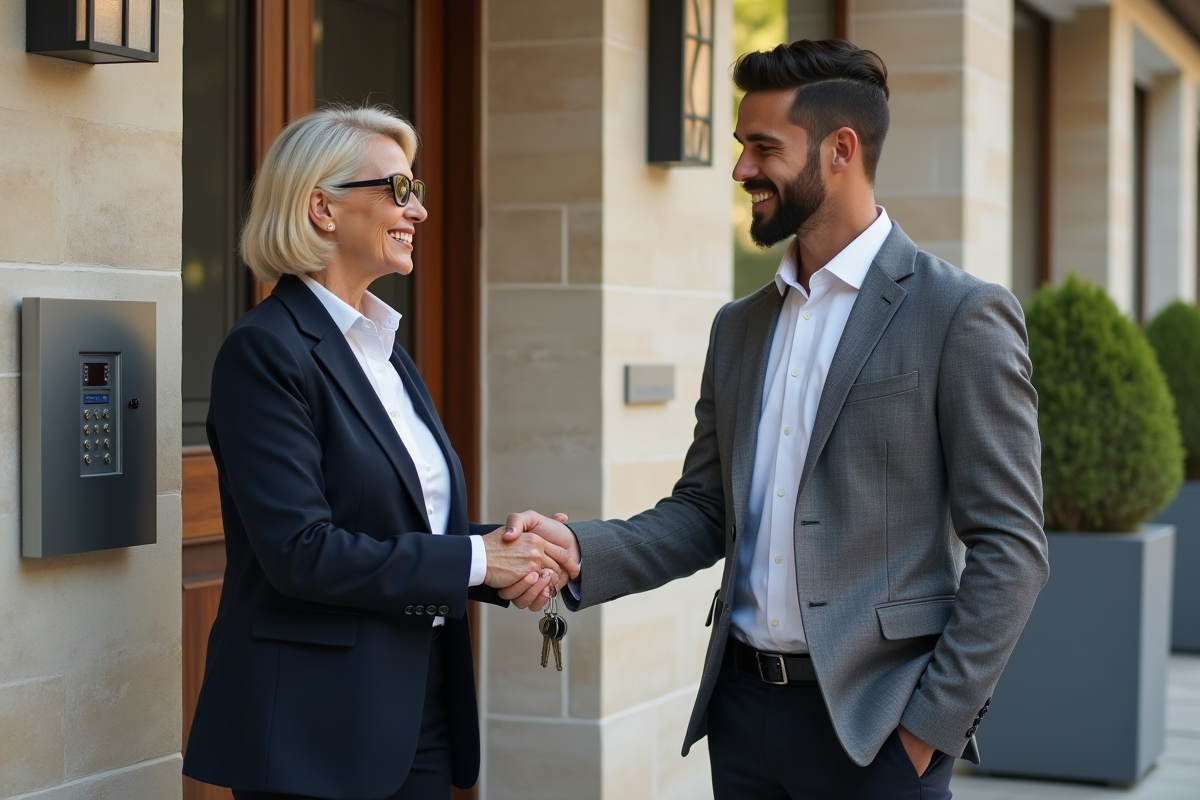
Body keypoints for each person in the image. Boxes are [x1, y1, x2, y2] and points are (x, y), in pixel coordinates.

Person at [501, 40, 1049, 799]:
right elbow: (703, 512)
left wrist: (928, 730)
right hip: (742, 714)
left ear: (841, 150)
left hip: (876, 734)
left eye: (763, 148)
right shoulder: (739, 327)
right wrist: (578, 550)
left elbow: (1012, 545)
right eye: (740, 147)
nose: (740, 171)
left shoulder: (958, 314)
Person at [182, 106, 577, 800]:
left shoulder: (383, 351)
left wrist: (514, 553)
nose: (419, 210)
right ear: (322, 209)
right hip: (316, 728)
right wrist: (482, 558)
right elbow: (302, 550)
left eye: (415, 189)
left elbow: (401, 534)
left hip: (419, 706)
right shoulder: (265, 352)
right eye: (397, 189)